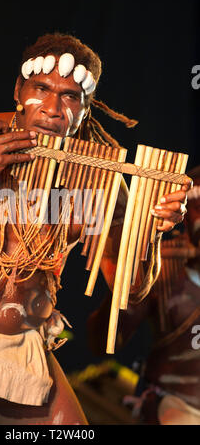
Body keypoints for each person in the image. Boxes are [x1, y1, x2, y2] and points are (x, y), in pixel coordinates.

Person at [0, 33, 189, 425]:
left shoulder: (97, 178)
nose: (53, 109)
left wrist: (149, 230)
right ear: (19, 89)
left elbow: (132, 288)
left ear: (86, 110)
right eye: (42, 88)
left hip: (25, 342)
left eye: (70, 96)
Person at [87, 166, 200, 425]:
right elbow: (102, 343)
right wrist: (127, 285)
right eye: (198, 206)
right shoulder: (163, 268)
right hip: (176, 410)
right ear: (186, 213)